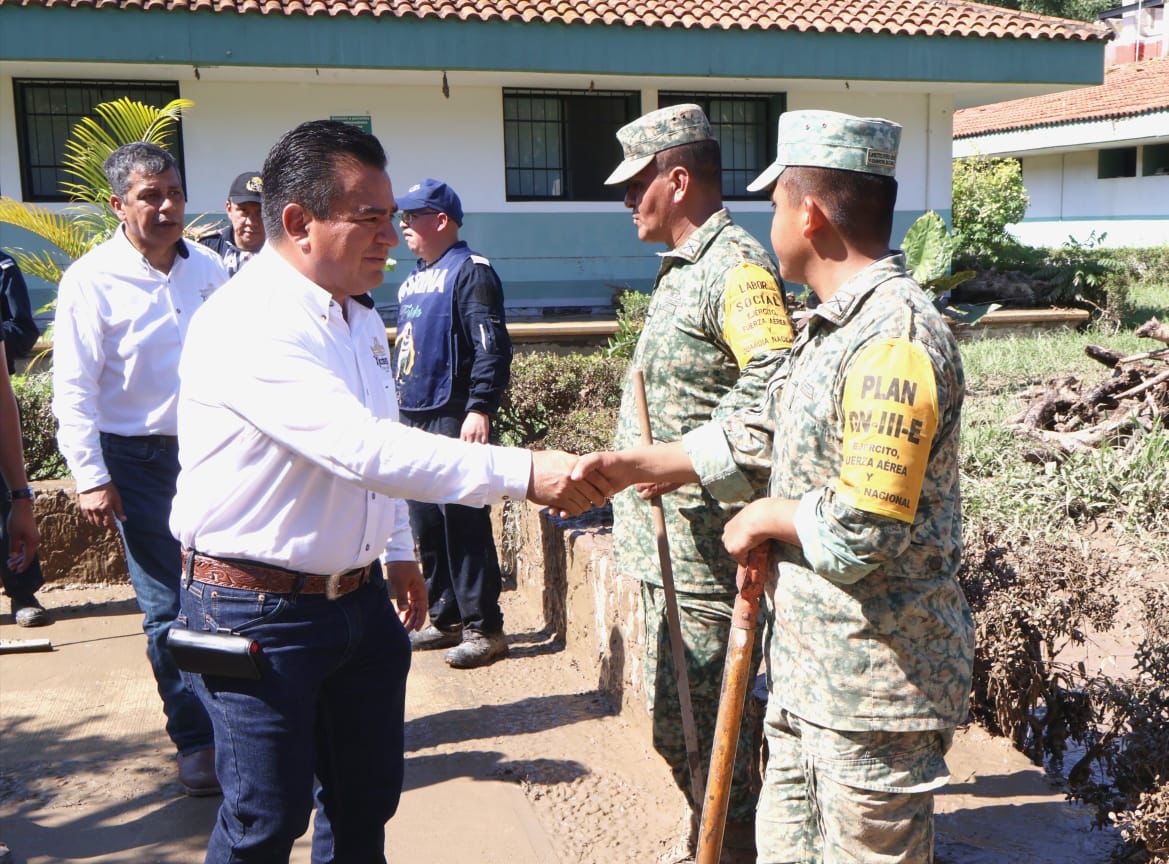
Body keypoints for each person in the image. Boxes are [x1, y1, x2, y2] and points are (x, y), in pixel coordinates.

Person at [168, 119, 603, 863]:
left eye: (391, 216)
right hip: (256, 611)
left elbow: (381, 435)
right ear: (298, 222)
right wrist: (528, 473)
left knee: (363, 801)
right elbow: (361, 448)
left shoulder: (357, 315)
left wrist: (397, 550)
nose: (389, 237)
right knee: (264, 821)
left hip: (356, 602)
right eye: (369, 218)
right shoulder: (249, 322)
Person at [576, 110, 975, 863]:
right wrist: (637, 466)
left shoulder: (893, 339)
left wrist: (766, 514)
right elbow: (762, 428)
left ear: (809, 213)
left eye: (775, 202)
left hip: (870, 688)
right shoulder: (833, 330)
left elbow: (863, 528)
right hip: (806, 674)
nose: (767, 221)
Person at [601, 103, 795, 863]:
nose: (626, 200)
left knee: (711, 726)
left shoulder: (735, 270)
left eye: (636, 185)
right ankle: (712, 833)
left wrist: (679, 460)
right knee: (679, 723)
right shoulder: (684, 267)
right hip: (670, 552)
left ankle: (730, 844)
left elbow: (774, 389)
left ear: (677, 181)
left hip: (709, 553)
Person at [51, 141, 229, 796]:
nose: (167, 207)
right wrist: (91, 475)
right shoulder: (90, 280)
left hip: (213, 452)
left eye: (174, 193)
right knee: (167, 606)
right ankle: (196, 740)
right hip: (138, 462)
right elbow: (74, 387)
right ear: (118, 205)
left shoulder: (209, 268)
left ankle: (239, 727)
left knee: (228, 594)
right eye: (150, 196)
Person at [394, 178, 513, 668]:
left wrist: (480, 406)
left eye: (412, 216)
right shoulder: (412, 279)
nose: (402, 224)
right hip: (414, 413)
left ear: (441, 220)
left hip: (455, 413)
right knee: (426, 520)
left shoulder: (472, 272)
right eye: (401, 216)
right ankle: (445, 619)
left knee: (464, 520)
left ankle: (485, 628)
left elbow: (492, 347)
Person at [0, 249, 48, 627]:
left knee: (6, 499)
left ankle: (22, 589)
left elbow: (24, 329)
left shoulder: (3, 265)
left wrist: (22, 494)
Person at [198, 170, 265, 276]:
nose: (251, 222)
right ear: (229, 209)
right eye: (244, 211)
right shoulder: (208, 250)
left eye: (260, 212)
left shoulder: (283, 251)